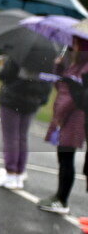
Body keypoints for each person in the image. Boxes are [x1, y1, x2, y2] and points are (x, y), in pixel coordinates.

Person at [39, 38, 88, 215]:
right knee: (63, 159)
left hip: (74, 120)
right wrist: (58, 67)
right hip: (65, 118)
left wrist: (60, 116)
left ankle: (62, 200)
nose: (71, 47)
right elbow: (60, 85)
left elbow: (75, 96)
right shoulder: (75, 65)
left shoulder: (84, 68)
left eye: (75, 44)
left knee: (67, 160)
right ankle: (59, 197)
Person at [0, 56, 51, 190]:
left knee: (11, 138)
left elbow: (4, 75)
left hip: (12, 99)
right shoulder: (48, 58)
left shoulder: (19, 55)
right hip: (32, 102)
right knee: (22, 137)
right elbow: (48, 84)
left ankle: (11, 174)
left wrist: (2, 65)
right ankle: (19, 172)